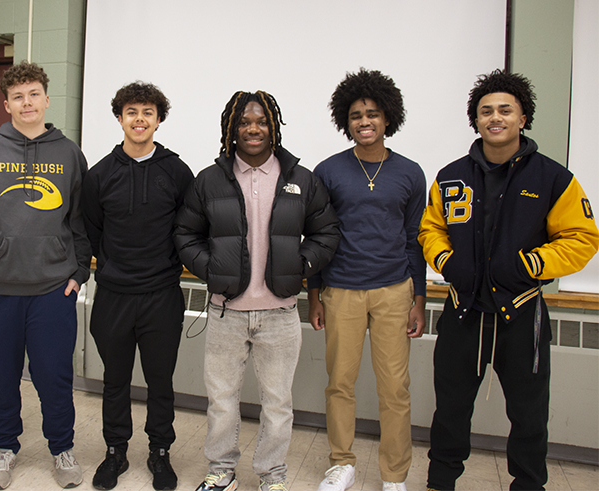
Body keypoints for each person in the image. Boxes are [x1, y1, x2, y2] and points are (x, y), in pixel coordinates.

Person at [418, 69, 599, 491]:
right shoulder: (450, 175)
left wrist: (530, 265)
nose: (494, 117)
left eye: (505, 109)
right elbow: (430, 230)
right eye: (485, 111)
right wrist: (446, 259)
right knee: (450, 411)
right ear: (475, 120)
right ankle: (440, 482)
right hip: (463, 314)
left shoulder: (554, 179)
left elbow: (582, 238)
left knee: (529, 414)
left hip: (521, 317)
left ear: (522, 118)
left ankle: (529, 485)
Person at [174, 90, 340, 491]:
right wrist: (209, 269)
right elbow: (185, 233)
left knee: (278, 403)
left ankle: (272, 474)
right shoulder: (209, 180)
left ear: (274, 127)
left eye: (262, 121)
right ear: (232, 127)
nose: (253, 128)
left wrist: (301, 265)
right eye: (245, 121)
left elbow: (327, 231)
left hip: (280, 312)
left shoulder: (300, 179)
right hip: (225, 312)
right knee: (222, 400)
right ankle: (221, 471)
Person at [0, 61, 91, 490]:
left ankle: (61, 449)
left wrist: (79, 271)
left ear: (47, 100)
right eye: (18, 96)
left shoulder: (69, 153)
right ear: (6, 103)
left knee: (54, 376)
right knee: (2, 377)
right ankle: (5, 448)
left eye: (34, 95)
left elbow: (81, 221)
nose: (26, 103)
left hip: (52, 289)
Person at [308, 68, 427, 491]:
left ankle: (395, 477)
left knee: (395, 389)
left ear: (388, 118)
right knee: (340, 383)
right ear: (346, 120)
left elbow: (416, 239)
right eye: (356, 115)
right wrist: (315, 293)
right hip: (341, 290)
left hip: (395, 291)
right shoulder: (328, 171)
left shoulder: (411, 173)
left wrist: (419, 298)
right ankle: (341, 463)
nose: (365, 122)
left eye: (373, 114)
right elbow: (318, 236)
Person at [81, 81, 194, 491]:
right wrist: (111, 267)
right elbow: (92, 230)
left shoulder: (178, 172)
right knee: (115, 379)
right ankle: (115, 451)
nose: (140, 119)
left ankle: (160, 451)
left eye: (148, 112)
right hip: (114, 295)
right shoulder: (100, 174)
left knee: (161, 381)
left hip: (162, 295)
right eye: (132, 112)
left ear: (158, 120)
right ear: (119, 118)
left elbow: (188, 227)